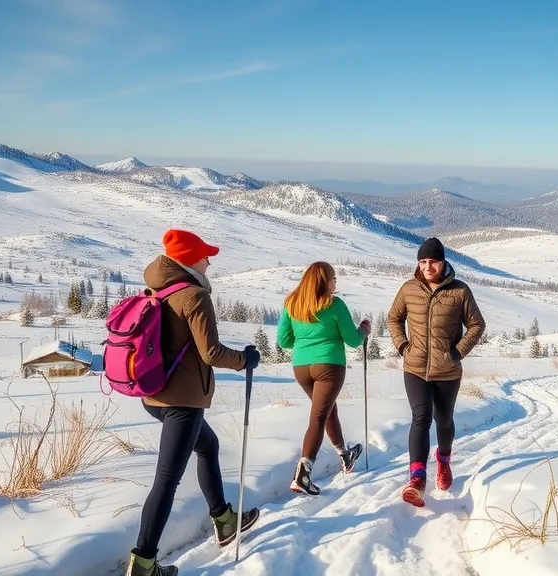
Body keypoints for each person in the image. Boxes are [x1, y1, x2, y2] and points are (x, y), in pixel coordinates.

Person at [126, 229, 263, 576]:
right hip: (182, 401)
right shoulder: (194, 296)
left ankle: (224, 519)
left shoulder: (158, 288)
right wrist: (246, 359)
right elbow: (212, 352)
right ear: (190, 260)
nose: (209, 261)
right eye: (205, 256)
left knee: (209, 445)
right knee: (167, 479)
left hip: (154, 396)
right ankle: (143, 563)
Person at [387, 237, 486, 507]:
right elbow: (393, 318)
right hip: (415, 367)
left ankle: (443, 461)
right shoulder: (409, 289)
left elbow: (477, 325)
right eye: (423, 261)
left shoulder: (460, 291)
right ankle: (417, 479)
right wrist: (402, 346)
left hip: (448, 371)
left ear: (443, 263)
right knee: (421, 417)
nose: (428, 266)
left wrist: (457, 352)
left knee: (444, 420)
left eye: (433, 261)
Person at [277, 261, 370, 495]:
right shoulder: (335, 305)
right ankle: (303, 474)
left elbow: (284, 340)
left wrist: (305, 341)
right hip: (329, 365)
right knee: (319, 415)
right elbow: (353, 339)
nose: (335, 282)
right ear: (325, 281)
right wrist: (364, 330)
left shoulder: (292, 304)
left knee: (327, 410)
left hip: (301, 367)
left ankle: (344, 454)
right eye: (333, 278)